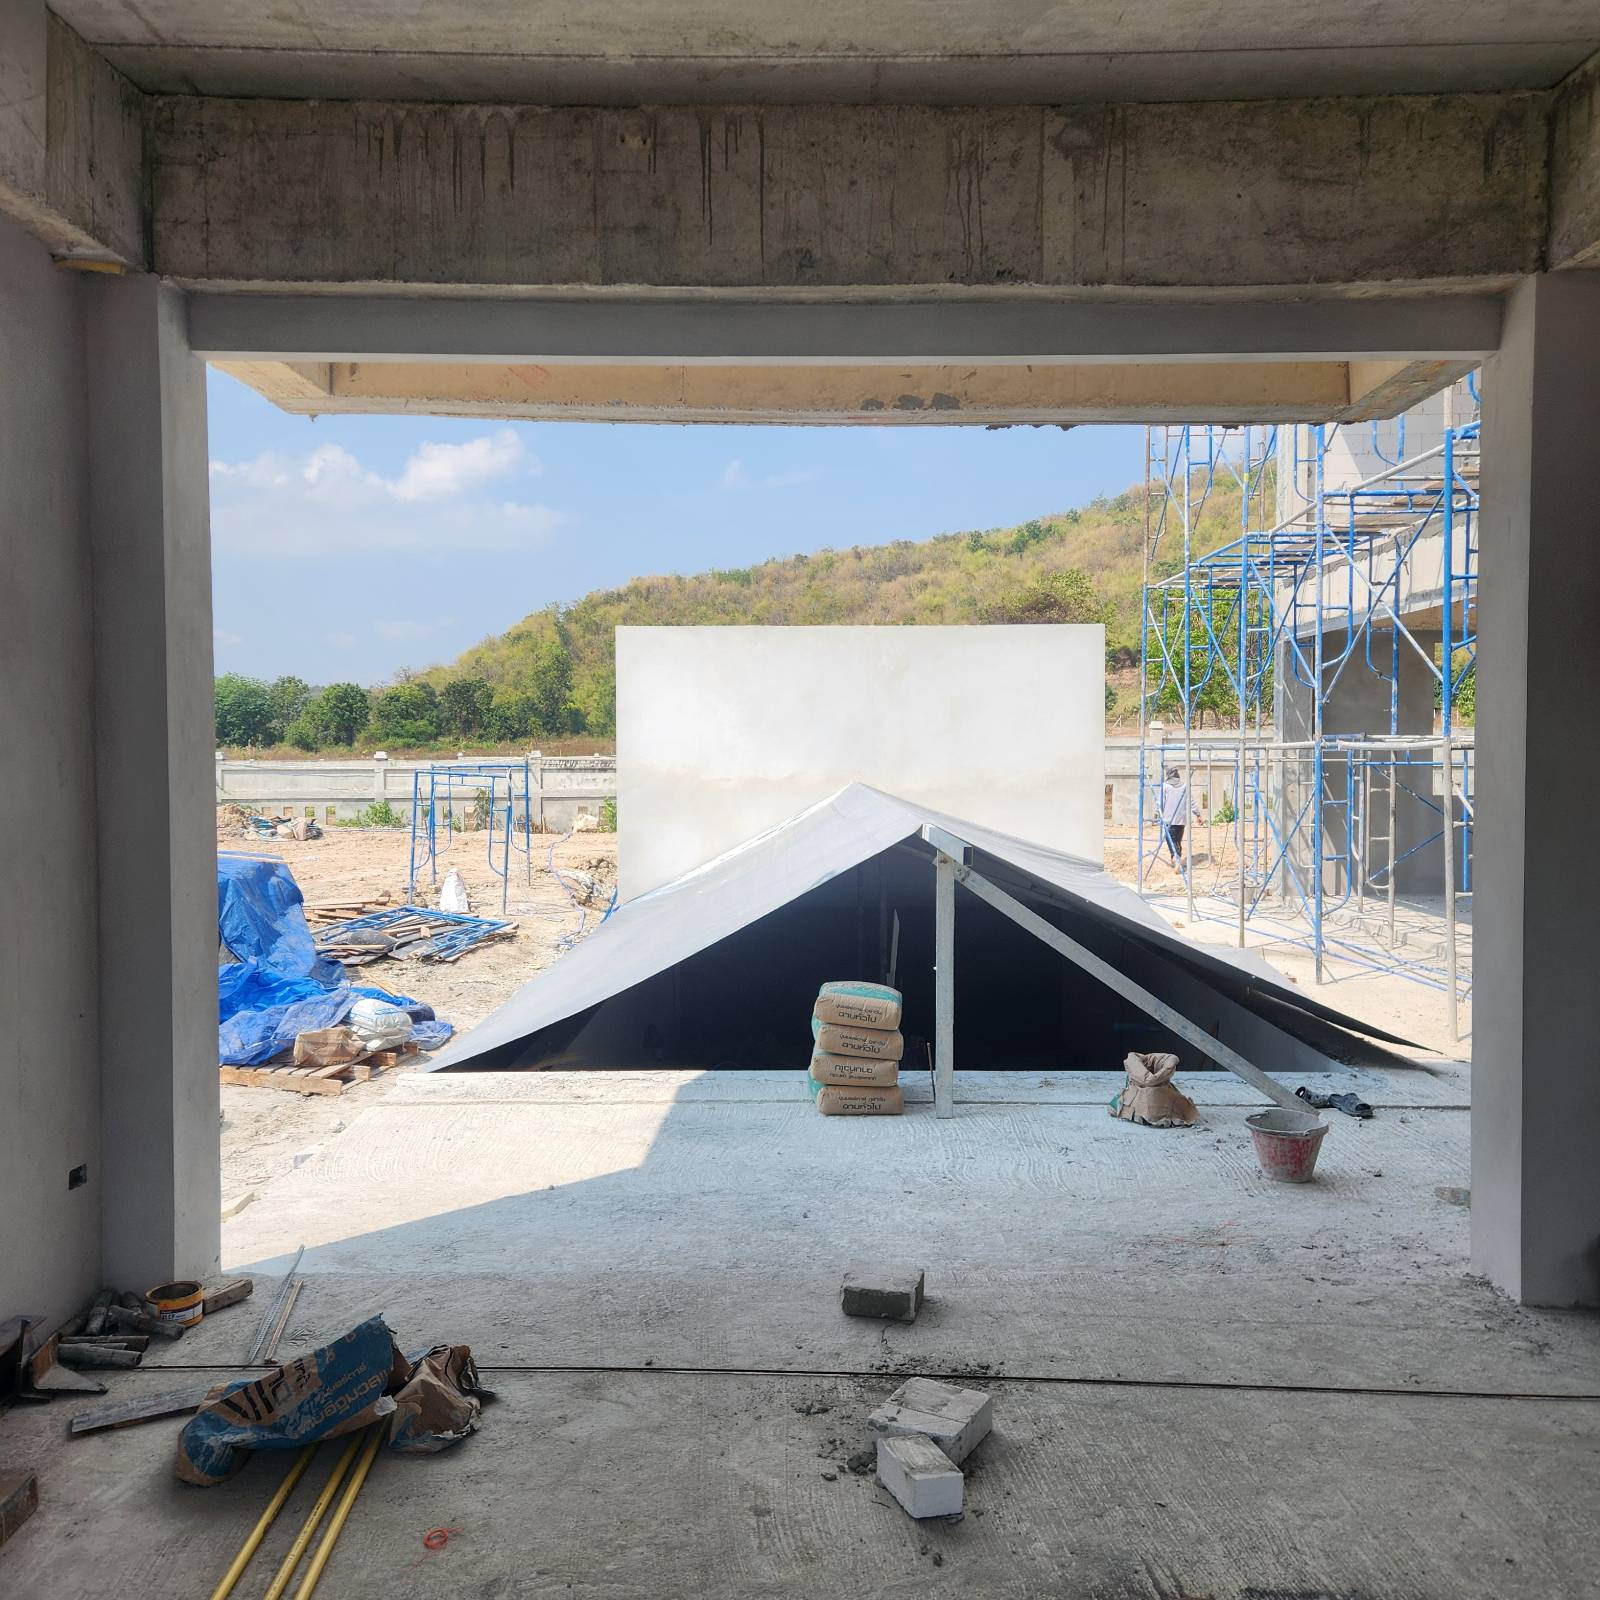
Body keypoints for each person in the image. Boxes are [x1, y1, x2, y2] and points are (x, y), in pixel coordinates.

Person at [1159, 766, 1198, 870]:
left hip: (1169, 819)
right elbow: (1191, 801)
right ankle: (1176, 858)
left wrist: (1157, 813)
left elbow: (1161, 802)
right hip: (1181, 819)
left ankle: (1176, 858)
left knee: (1170, 839)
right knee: (1177, 841)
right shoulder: (1184, 786)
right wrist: (1197, 814)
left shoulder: (1165, 786)